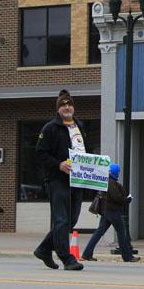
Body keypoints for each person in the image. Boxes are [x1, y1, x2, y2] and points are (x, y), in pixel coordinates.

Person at [32, 90, 85, 271]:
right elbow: (40, 153)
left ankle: (44, 249)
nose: (67, 107)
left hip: (78, 180)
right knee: (61, 220)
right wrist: (58, 164)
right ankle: (67, 258)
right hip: (58, 180)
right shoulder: (50, 128)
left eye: (69, 104)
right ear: (58, 108)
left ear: (73, 107)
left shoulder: (79, 126)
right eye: (63, 104)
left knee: (71, 219)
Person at [81, 163, 140, 262]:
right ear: (115, 172)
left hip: (106, 211)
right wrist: (127, 200)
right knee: (122, 233)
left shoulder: (106, 181)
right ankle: (127, 257)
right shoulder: (111, 183)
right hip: (112, 211)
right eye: (118, 172)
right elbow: (117, 197)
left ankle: (86, 254)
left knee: (99, 232)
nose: (119, 173)